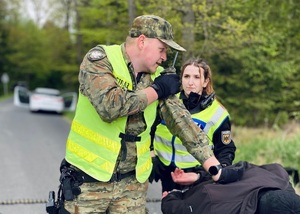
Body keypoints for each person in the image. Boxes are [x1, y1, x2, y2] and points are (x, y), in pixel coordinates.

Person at [56, 15, 243, 214]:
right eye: (161, 50)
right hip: (88, 180)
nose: (164, 57)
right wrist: (156, 91)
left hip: (132, 185)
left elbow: (182, 122)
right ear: (142, 41)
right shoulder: (100, 60)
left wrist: (214, 168)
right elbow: (109, 107)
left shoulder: (158, 76)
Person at [150, 57, 237, 193]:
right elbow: (148, 129)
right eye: (186, 76)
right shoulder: (166, 104)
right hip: (166, 170)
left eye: (196, 77)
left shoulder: (218, 114)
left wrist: (211, 174)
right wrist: (151, 154)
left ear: (205, 81)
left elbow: (225, 151)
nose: (190, 82)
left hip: (197, 175)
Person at [161, 161, 300, 214]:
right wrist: (171, 197)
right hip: (202, 194)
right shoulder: (216, 204)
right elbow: (180, 209)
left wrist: (200, 177)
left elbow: (236, 170)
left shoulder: (280, 176)